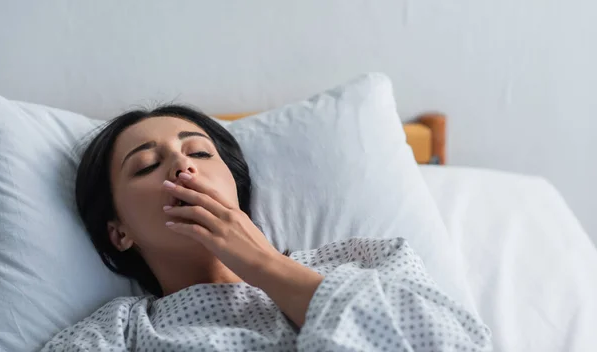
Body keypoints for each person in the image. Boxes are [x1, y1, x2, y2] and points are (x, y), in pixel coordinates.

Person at [42, 104, 492, 351]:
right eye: (146, 166)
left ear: (234, 188)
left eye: (199, 153)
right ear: (120, 232)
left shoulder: (365, 262)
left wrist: (263, 264)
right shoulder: (114, 335)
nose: (181, 164)